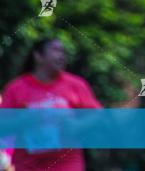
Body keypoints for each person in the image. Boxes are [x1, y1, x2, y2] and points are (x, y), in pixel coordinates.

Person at [0, 38, 102, 171]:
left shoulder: (75, 85)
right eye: (55, 50)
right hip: (27, 165)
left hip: (67, 163)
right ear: (38, 56)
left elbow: (97, 115)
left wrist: (78, 125)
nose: (61, 55)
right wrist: (22, 121)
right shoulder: (16, 88)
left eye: (63, 52)